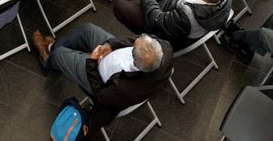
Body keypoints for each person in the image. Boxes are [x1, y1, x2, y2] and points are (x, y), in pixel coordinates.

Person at [33, 26, 172, 135]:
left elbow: (100, 93)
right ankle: (53, 46)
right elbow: (135, 40)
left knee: (59, 55)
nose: (136, 39)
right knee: (87, 30)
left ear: (135, 60)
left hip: (97, 77)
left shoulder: (124, 88)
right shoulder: (163, 48)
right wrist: (111, 44)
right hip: (111, 55)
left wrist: (92, 62)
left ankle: (47, 57)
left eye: (135, 45)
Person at [113, 0, 232, 48]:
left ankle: (143, 32)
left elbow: (157, 20)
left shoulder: (187, 17)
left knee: (119, 5)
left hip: (162, 28)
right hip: (176, 9)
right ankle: (146, 4)